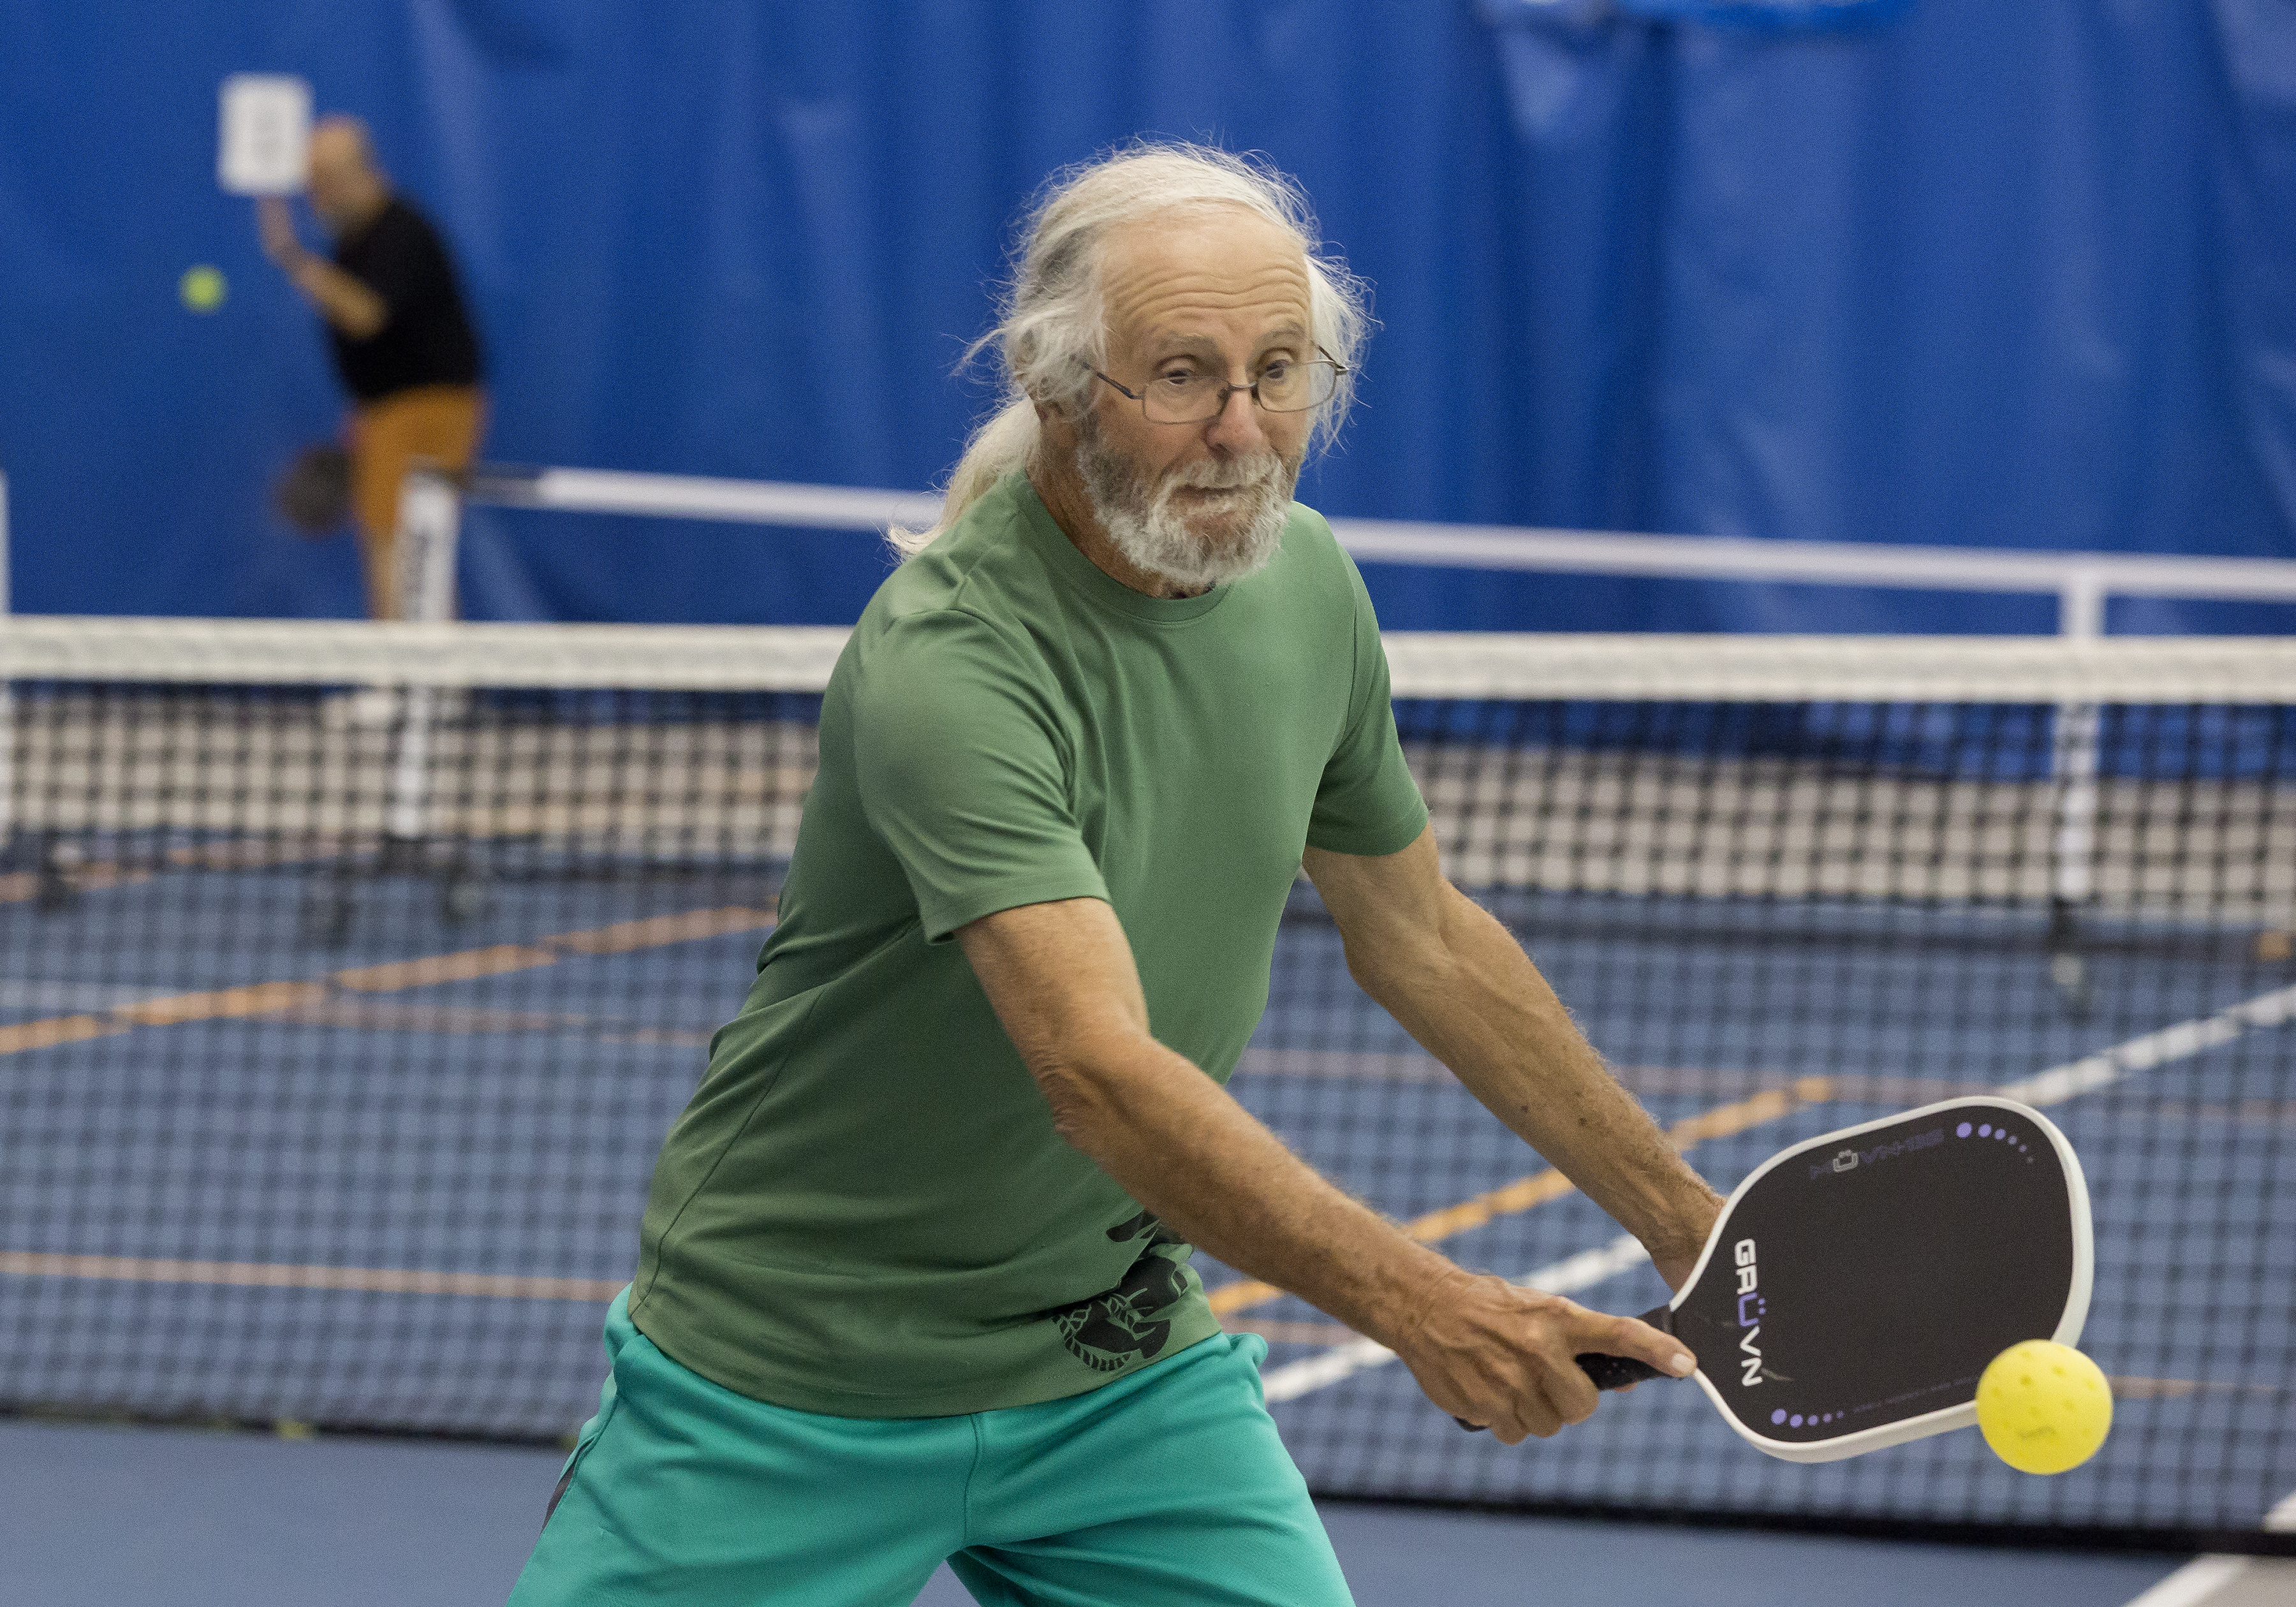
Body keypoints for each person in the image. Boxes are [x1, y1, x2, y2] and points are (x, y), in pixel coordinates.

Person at [510, 143, 1723, 1607]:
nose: (1240, 430)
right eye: (1180, 376)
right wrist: (1425, 1306)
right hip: (794, 1369)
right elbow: (1096, 1071)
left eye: (1279, 374)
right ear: (1057, 387)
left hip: (1111, 1368)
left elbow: (1426, 941)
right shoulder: (952, 666)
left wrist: (1682, 1217)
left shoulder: (1310, 588)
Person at [258, 115, 484, 620]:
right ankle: (428, 678)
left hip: (427, 409)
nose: (313, 197)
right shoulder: (356, 238)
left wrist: (291, 255)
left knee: (396, 539)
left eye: (319, 183)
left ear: (346, 176)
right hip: (389, 410)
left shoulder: (400, 232)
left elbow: (365, 314)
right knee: (415, 545)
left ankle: (402, 681)